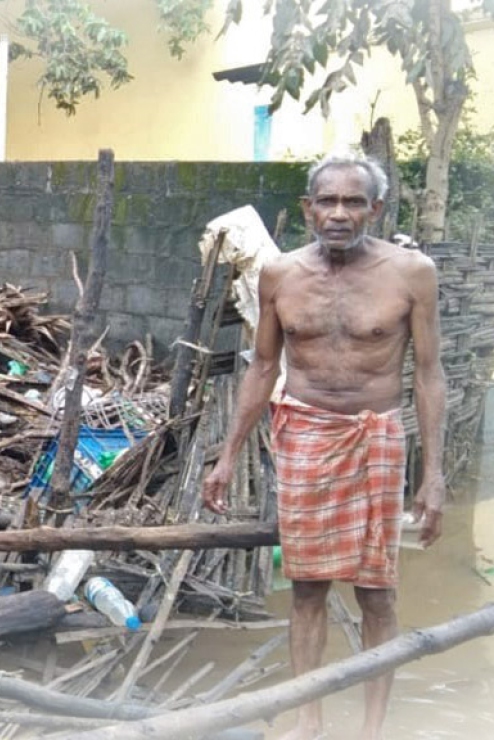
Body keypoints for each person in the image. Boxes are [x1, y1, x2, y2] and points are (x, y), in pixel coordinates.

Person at [201, 152, 446, 740]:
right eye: (328, 201)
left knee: (378, 592)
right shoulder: (280, 274)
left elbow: (430, 373)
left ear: (375, 209)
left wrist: (433, 472)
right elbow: (262, 366)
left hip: (376, 438)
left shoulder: (412, 273)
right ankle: (308, 720)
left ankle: (371, 729)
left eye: (353, 202)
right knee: (307, 587)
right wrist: (228, 454)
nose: (339, 213)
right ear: (309, 209)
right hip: (306, 435)